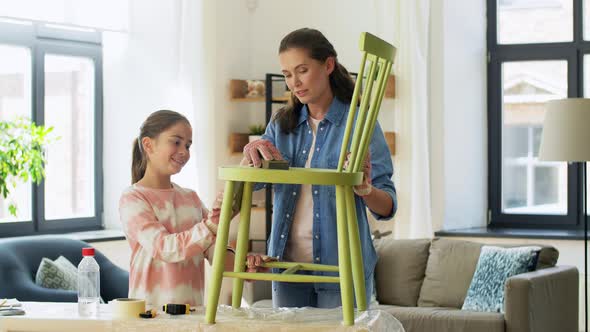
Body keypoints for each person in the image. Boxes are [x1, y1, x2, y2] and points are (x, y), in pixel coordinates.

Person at [242, 28, 397, 309]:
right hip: (287, 269)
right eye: (288, 74)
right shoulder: (281, 125)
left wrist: (364, 189)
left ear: (328, 65)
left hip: (343, 267)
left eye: (302, 70)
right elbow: (253, 184)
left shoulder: (360, 125)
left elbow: (386, 206)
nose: (294, 82)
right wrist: (250, 160)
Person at [119, 110, 267, 308]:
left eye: (188, 145)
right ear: (148, 144)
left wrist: (245, 265)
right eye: (176, 142)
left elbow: (215, 250)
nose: (184, 151)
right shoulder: (133, 198)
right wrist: (212, 225)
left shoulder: (190, 197)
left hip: (191, 313)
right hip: (149, 315)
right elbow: (164, 248)